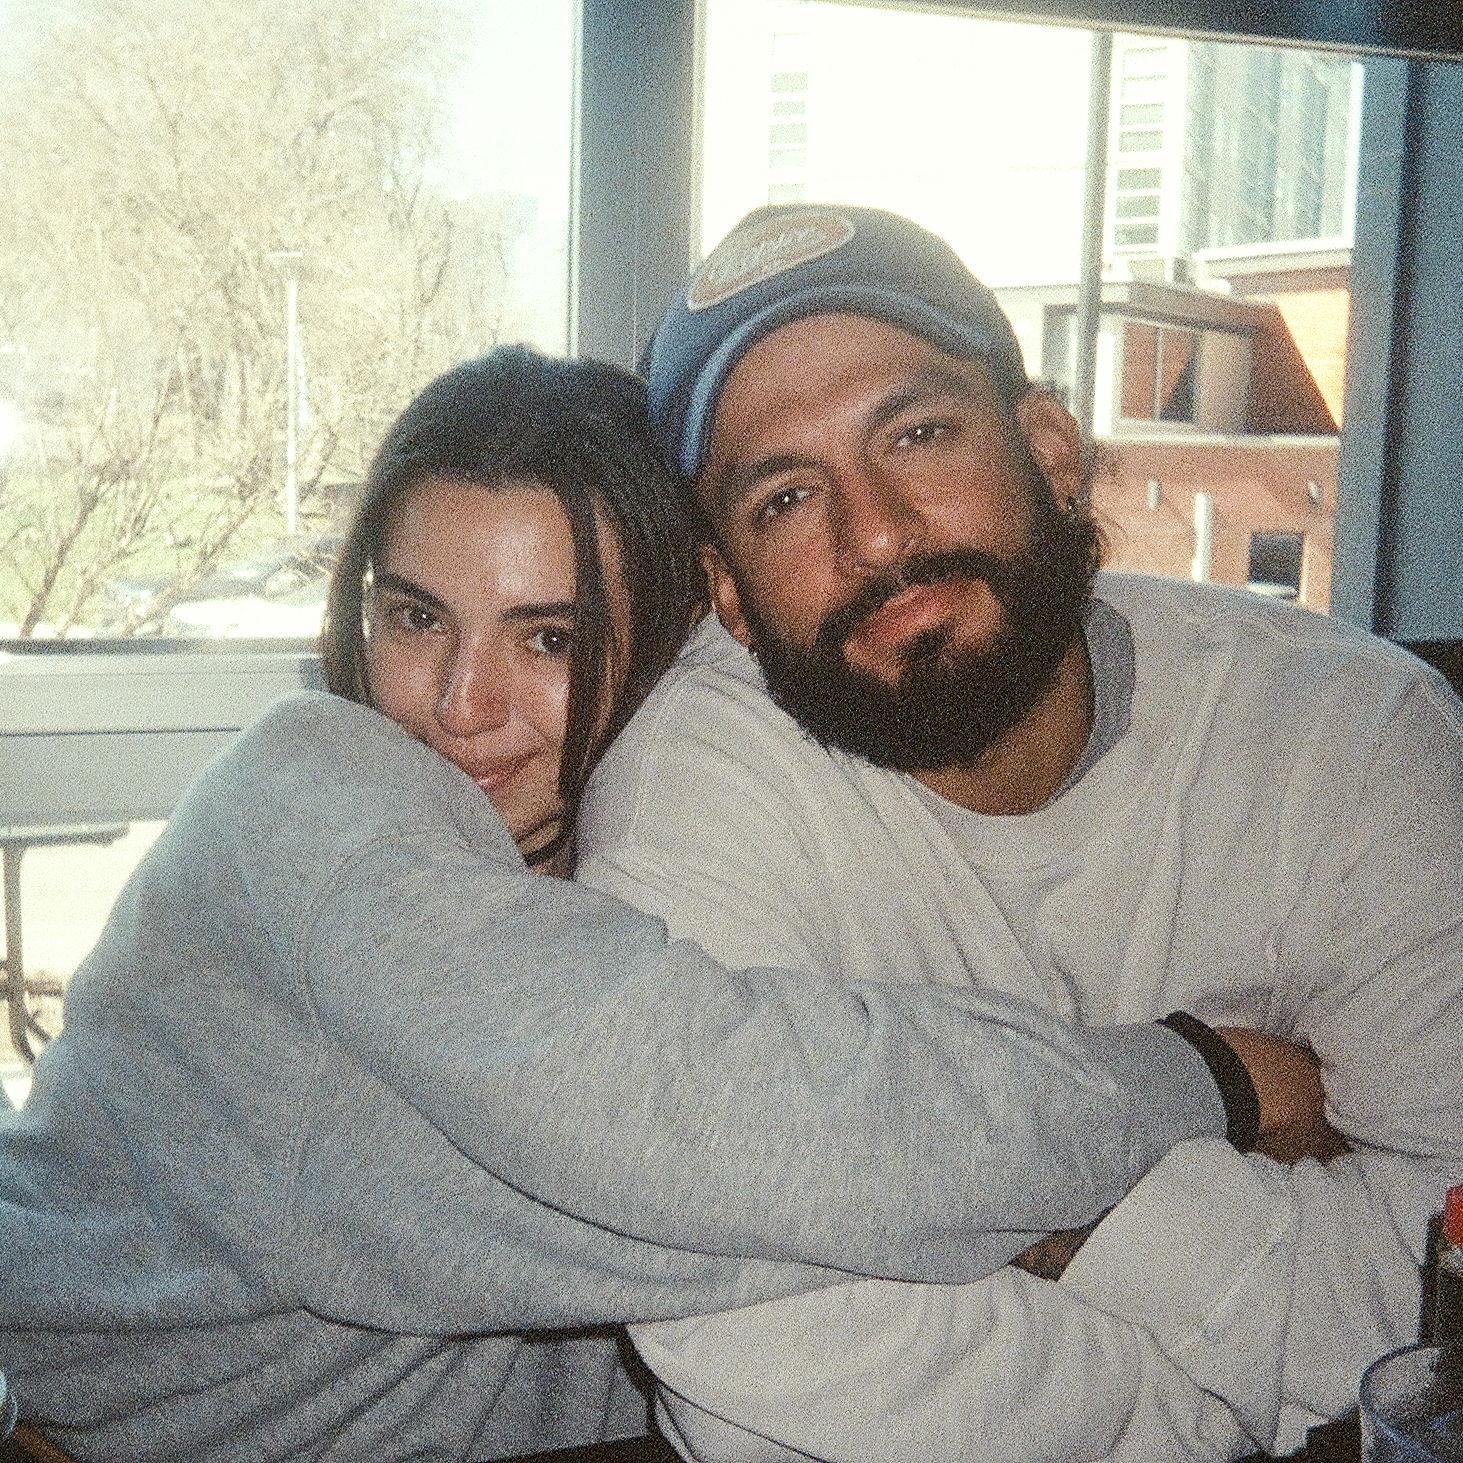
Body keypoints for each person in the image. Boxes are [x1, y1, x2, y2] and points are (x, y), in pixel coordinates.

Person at [0, 347, 1314, 1462]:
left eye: (549, 636)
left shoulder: (643, 870)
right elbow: (720, 1139)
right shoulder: (309, 803)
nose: (457, 703)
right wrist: (1197, 1081)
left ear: (680, 641)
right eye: (414, 617)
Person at [576, 206, 1463, 1462]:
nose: (874, 533)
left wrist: (1022, 1206)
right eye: (785, 496)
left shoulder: (1348, 739)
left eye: (916, 433)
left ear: (1049, 448)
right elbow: (743, 1347)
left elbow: (1443, 1291)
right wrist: (1204, 1373)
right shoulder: (693, 789)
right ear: (726, 590)